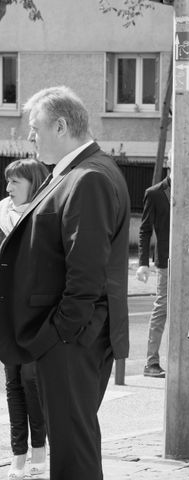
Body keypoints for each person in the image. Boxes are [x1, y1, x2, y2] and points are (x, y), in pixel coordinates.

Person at [0, 86, 131, 480]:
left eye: (35, 127)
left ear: (60, 125)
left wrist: (58, 335)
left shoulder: (89, 176)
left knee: (74, 452)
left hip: (73, 340)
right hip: (70, 338)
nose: (30, 136)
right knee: (72, 446)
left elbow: (86, 275)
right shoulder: (76, 172)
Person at [0, 159, 49, 480]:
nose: (8, 189)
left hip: (35, 316)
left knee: (33, 383)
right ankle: (19, 455)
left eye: (15, 182)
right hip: (6, 315)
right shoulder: (2, 214)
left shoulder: (45, 214)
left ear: (32, 182)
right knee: (13, 384)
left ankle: (41, 453)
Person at [136, 166, 171, 378]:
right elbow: (145, 229)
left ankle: (185, 359)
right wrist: (142, 263)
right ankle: (151, 362)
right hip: (166, 260)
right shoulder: (155, 193)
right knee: (162, 308)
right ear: (170, 161)